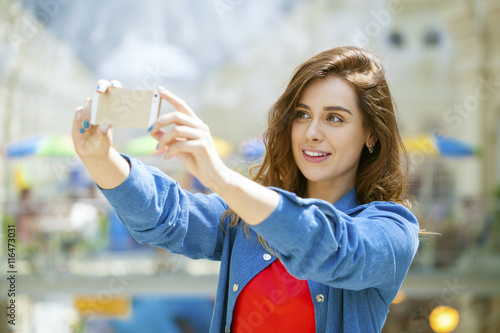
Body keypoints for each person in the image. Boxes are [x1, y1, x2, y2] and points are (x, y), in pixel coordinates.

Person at [72, 46, 419, 333]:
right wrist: (101, 157)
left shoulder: (392, 230)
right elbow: (169, 216)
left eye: (335, 118)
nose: (312, 132)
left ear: (372, 135)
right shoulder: (246, 218)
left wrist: (222, 177)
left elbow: (329, 247)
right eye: (301, 114)